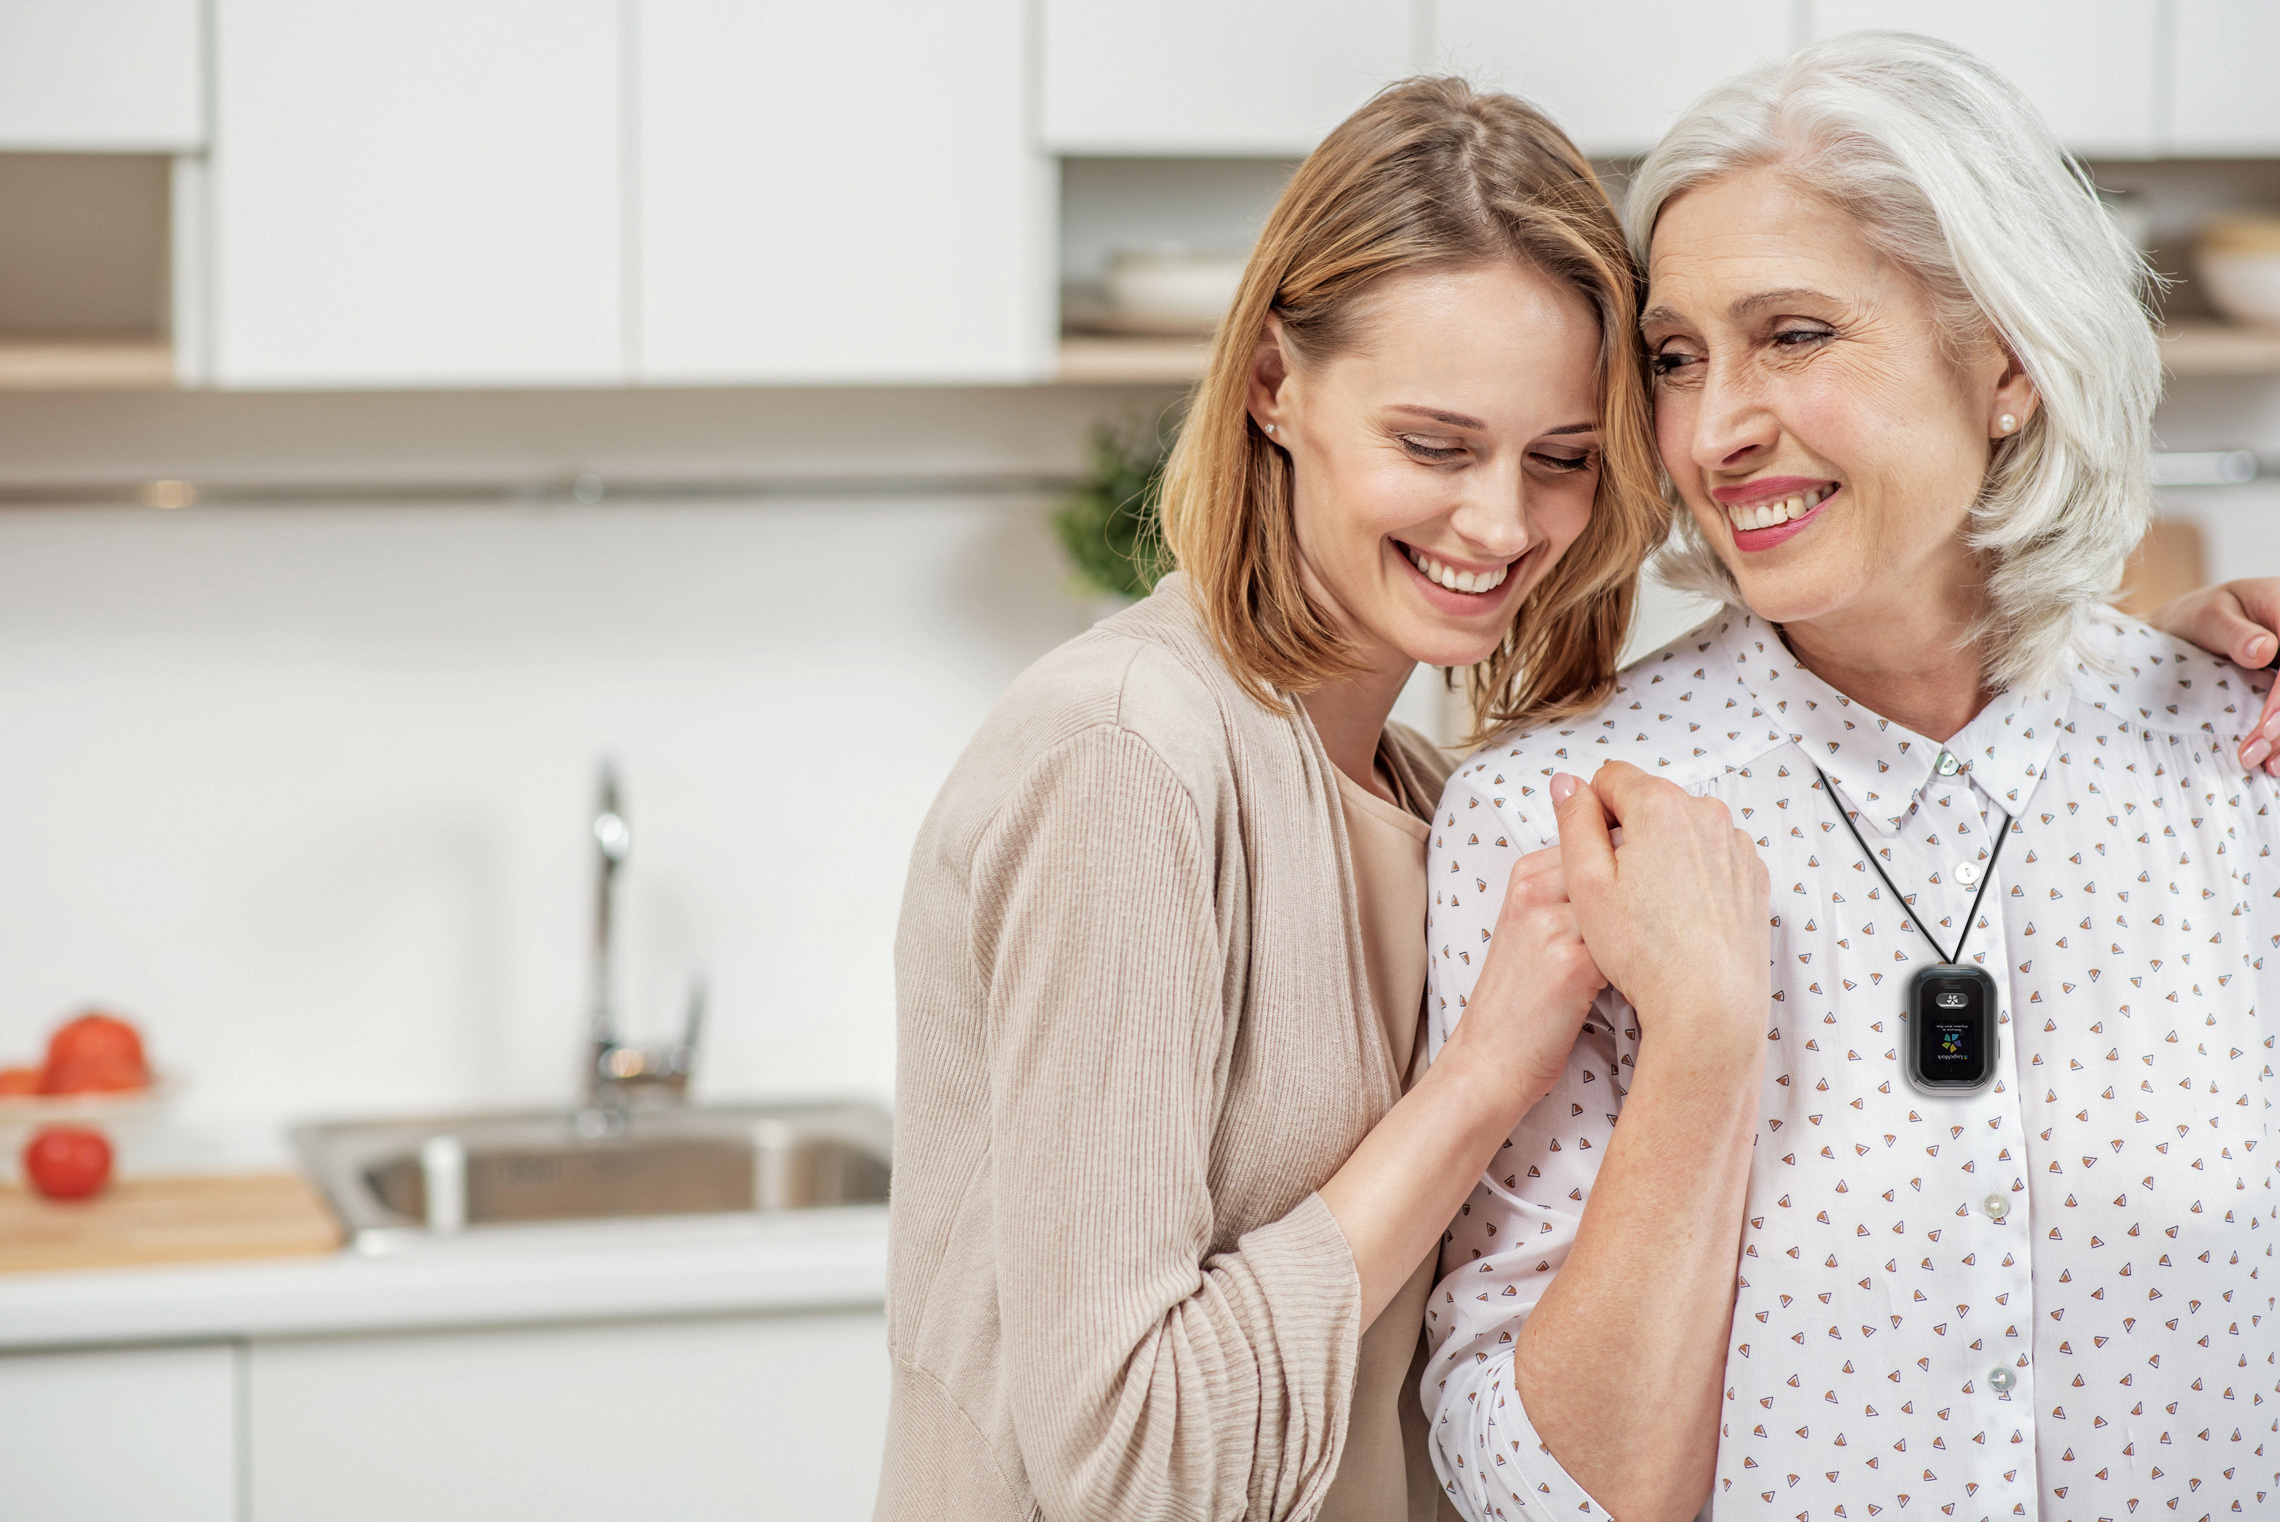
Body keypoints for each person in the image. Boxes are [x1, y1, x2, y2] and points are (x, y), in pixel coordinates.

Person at [876, 77, 1776, 1522]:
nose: (1500, 521)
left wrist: (2140, 681)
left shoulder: (1434, 797)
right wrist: (1478, 1080)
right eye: (1434, 445)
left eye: (1558, 460)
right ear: (1273, 388)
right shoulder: (1124, 762)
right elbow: (1131, 1465)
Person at [1419, 32, 2279, 1522]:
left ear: (2006, 358)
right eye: (1678, 358)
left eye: (1795, 334)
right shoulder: (1566, 816)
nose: (1715, 427)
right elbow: (1532, 1487)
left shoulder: (2232, 760)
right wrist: (1704, 1042)